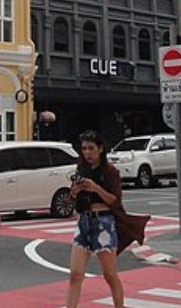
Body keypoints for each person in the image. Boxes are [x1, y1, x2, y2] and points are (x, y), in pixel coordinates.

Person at [65, 131, 150, 308]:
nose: (87, 153)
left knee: (109, 274)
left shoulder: (110, 171)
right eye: (84, 149)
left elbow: (115, 201)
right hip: (84, 221)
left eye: (91, 148)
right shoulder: (81, 169)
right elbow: (73, 201)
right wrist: (75, 192)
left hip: (103, 222)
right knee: (75, 274)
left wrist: (96, 188)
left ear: (100, 149)